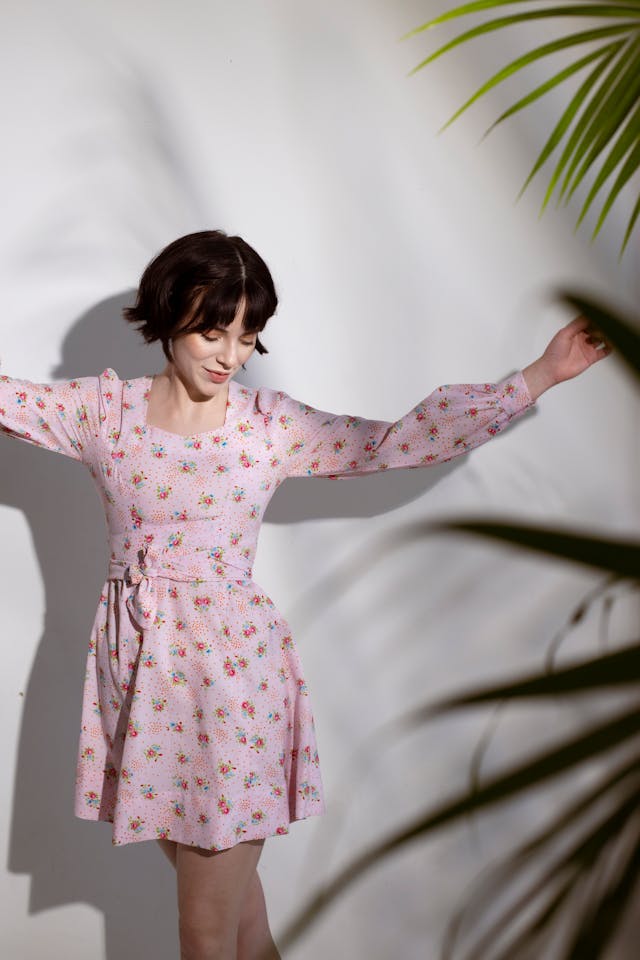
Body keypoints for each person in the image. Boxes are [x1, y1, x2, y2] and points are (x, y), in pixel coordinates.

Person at [0, 229, 611, 960]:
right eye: (212, 330)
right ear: (168, 315)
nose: (230, 355)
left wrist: (538, 375)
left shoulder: (268, 428)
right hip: (140, 690)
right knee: (242, 924)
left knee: (203, 932)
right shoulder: (105, 414)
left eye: (247, 334)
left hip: (233, 691)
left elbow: (392, 442)